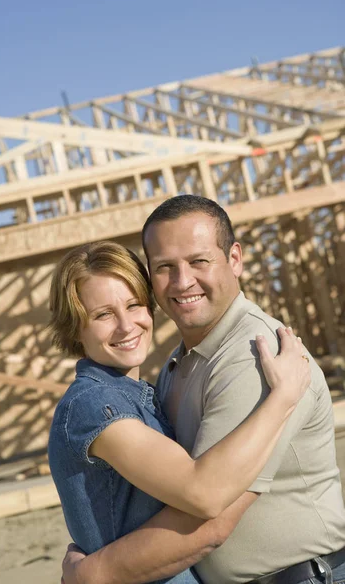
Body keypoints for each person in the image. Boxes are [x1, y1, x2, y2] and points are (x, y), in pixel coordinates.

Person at [62, 196, 345, 584]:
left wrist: (93, 573)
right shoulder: (180, 365)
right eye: (164, 267)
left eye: (199, 261)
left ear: (234, 259)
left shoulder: (254, 356)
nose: (182, 282)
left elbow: (211, 514)